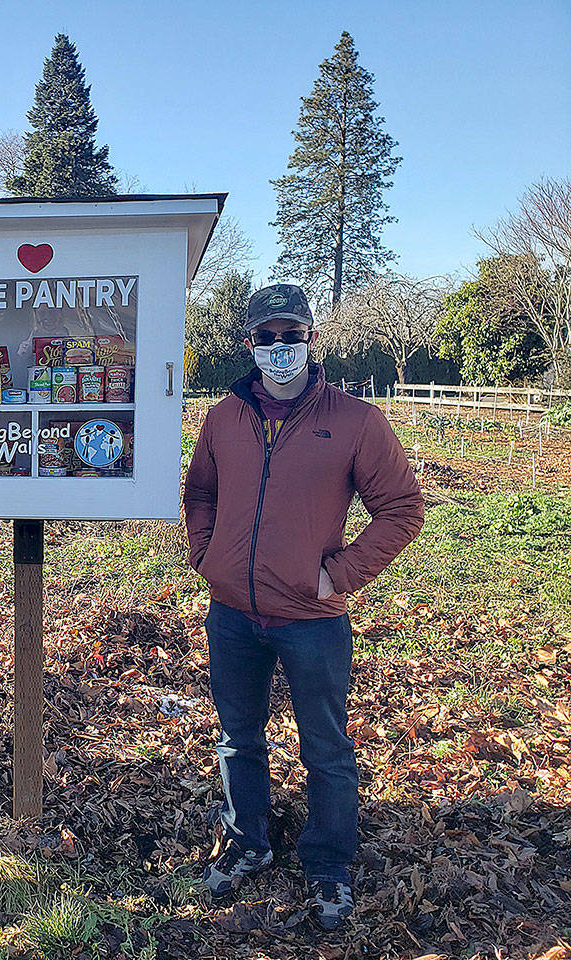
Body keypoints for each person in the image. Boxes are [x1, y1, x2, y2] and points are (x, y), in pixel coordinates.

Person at [182, 283, 424, 931]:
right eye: (267, 337)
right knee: (238, 738)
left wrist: (337, 575)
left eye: (292, 335)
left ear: (312, 339)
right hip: (232, 613)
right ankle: (248, 842)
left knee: (325, 747)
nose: (280, 346)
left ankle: (328, 864)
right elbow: (200, 493)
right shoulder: (223, 419)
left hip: (313, 619)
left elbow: (402, 509)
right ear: (249, 343)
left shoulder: (355, 421)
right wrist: (205, 554)